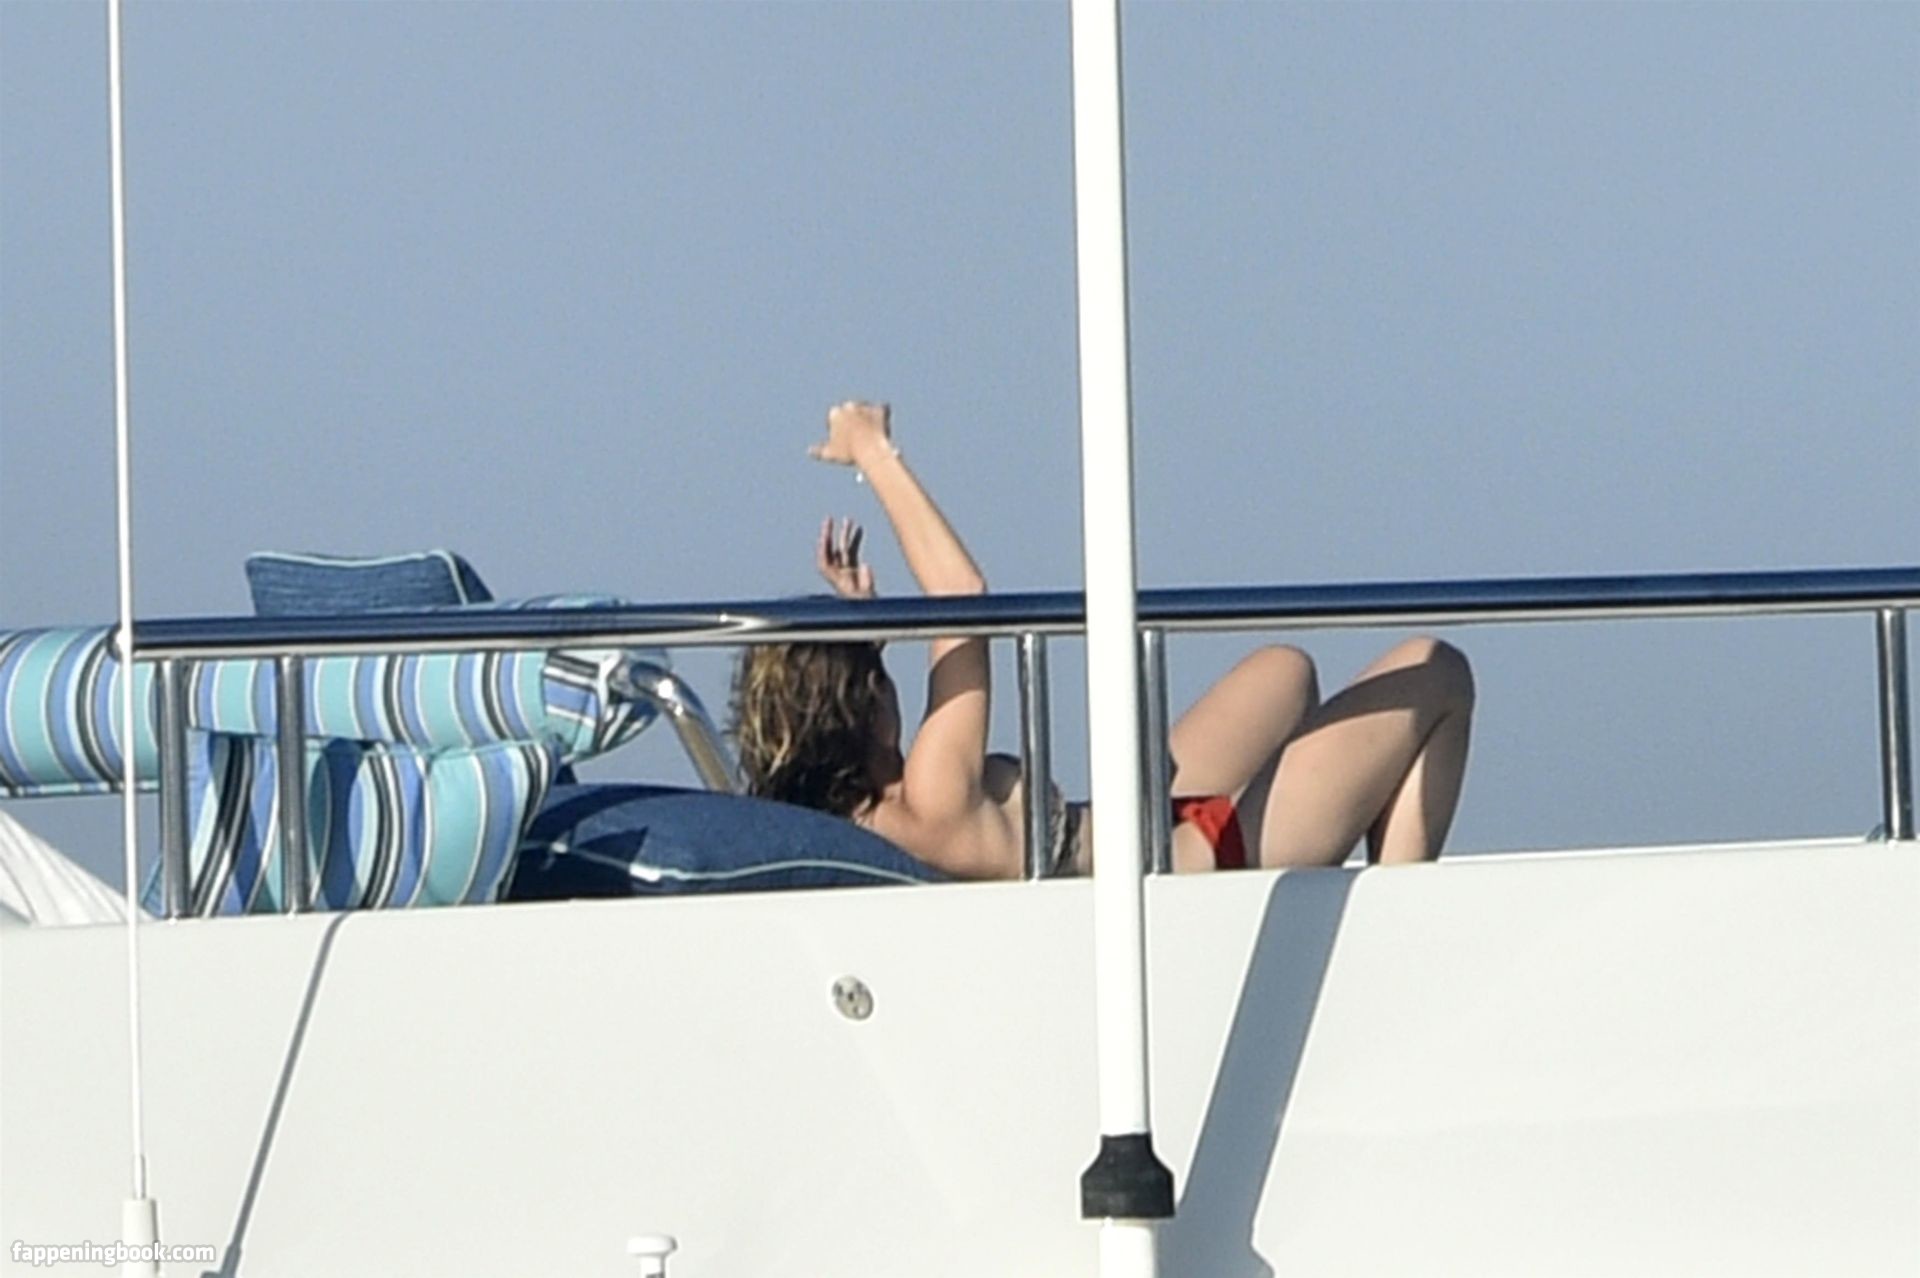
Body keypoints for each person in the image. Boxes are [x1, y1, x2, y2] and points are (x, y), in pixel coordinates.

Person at [732, 401, 1474, 879]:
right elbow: (961, 597)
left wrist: (862, 626)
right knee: (1435, 671)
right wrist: (873, 451)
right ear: (864, 709)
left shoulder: (863, 819)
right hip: (1198, 868)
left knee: (1284, 671)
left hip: (1150, 833)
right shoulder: (933, 792)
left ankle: (1343, 811)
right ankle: (1393, 926)